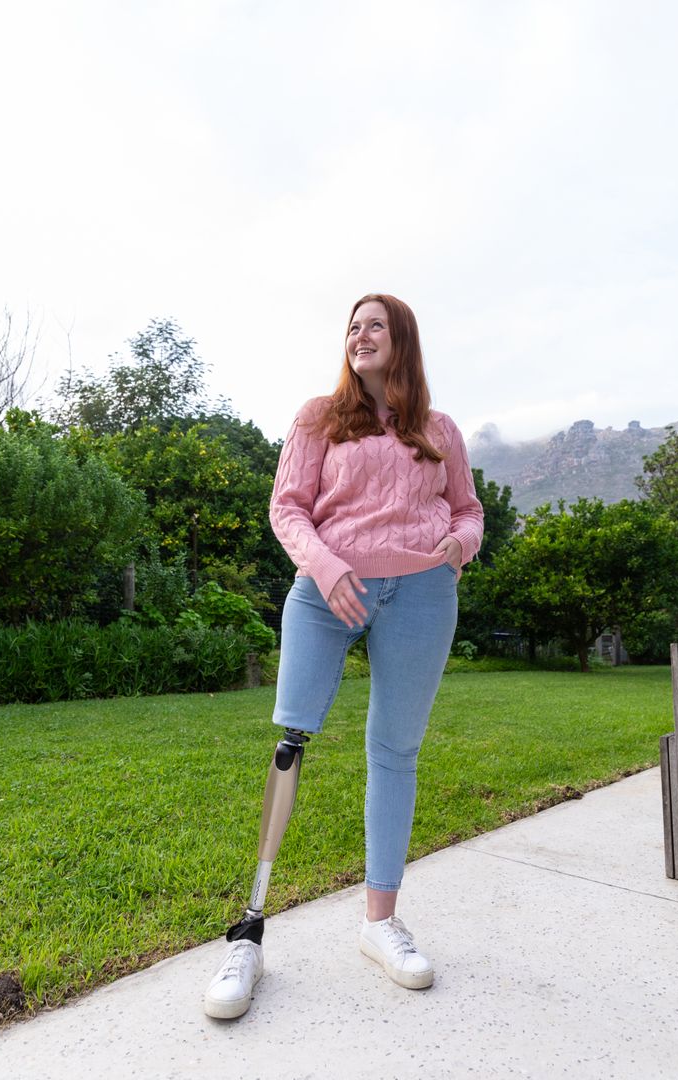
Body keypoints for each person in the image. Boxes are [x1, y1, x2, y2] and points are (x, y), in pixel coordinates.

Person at [204, 293, 483, 1019]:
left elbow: (468, 509)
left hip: (422, 593)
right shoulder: (317, 418)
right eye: (352, 326)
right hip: (328, 591)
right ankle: (248, 935)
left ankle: (380, 925)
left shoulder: (441, 429)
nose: (360, 335)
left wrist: (461, 545)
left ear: (403, 341)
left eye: (375, 325)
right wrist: (325, 567)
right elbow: (287, 507)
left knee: (396, 751)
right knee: (291, 740)